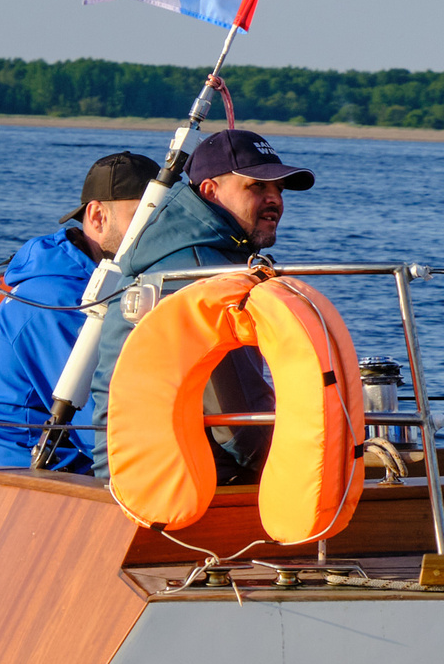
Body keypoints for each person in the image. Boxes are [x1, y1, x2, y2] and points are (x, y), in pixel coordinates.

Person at [86, 130, 317, 481]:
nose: (275, 200)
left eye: (279, 191)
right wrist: (315, 455)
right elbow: (241, 430)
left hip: (130, 472)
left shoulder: (173, 253)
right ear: (210, 191)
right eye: (257, 188)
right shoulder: (204, 275)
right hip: (177, 483)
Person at [0, 151, 155, 471]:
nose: (154, 234)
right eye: (144, 217)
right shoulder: (57, 301)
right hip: (39, 474)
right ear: (97, 217)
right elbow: (99, 426)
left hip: (70, 464)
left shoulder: (85, 283)